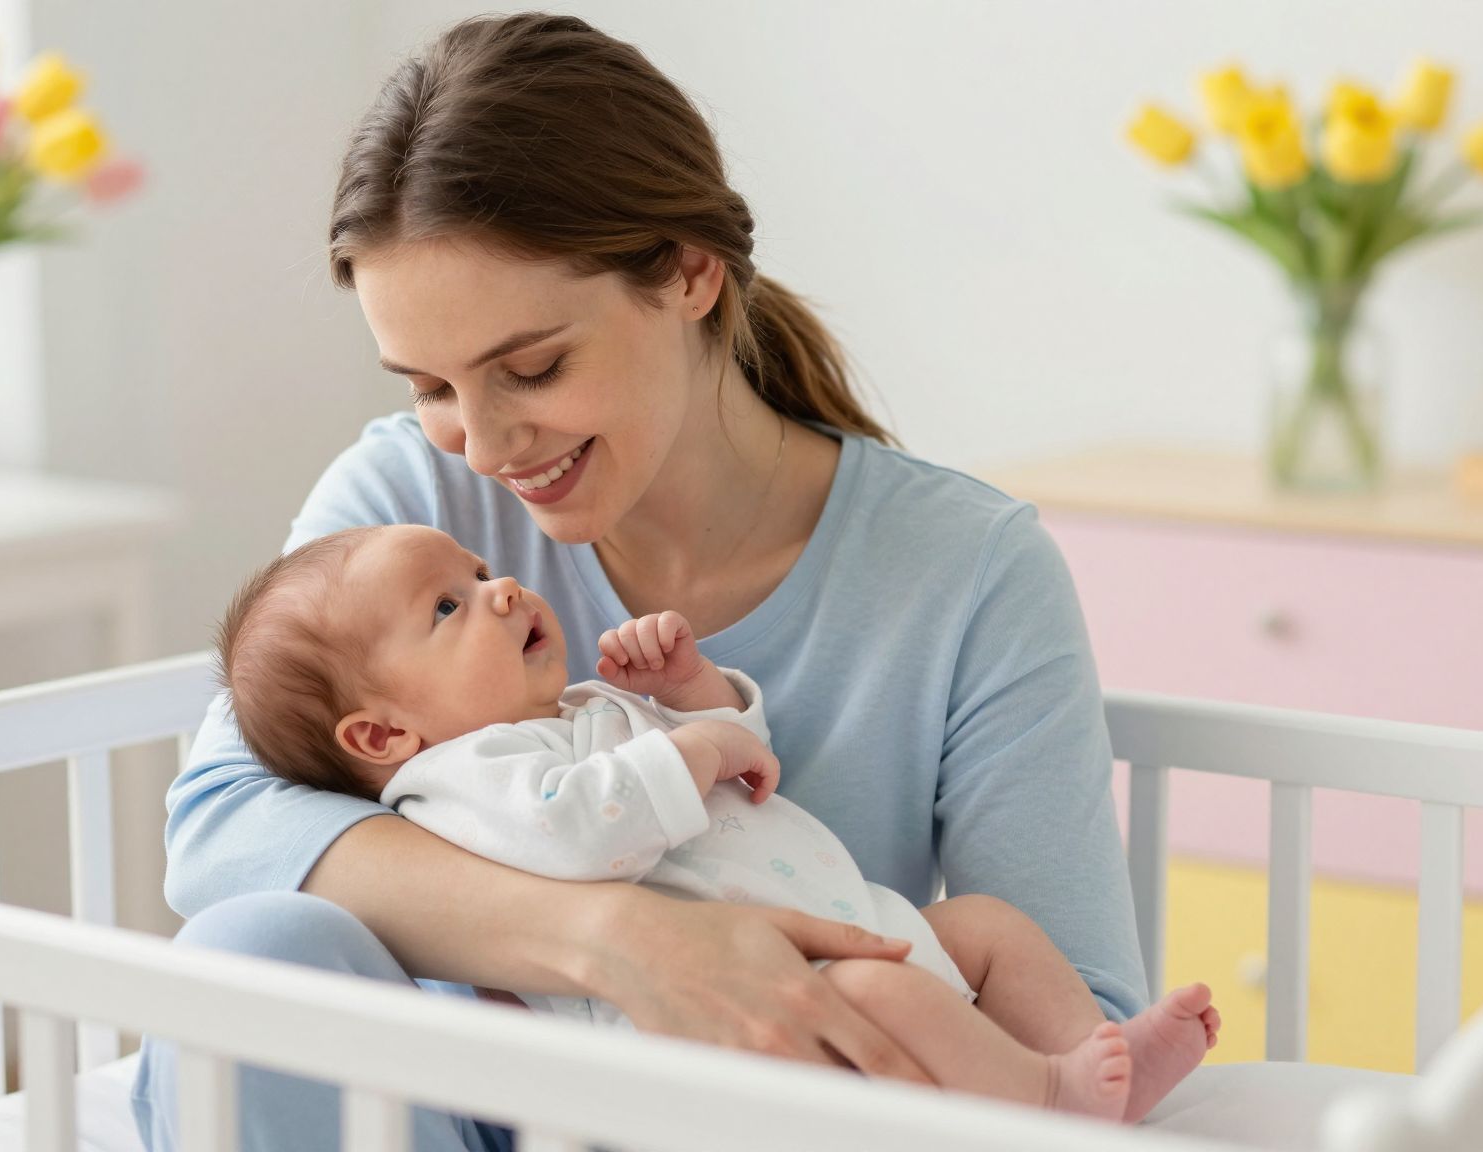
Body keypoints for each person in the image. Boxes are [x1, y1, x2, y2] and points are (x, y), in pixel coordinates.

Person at [131, 12, 1149, 1150]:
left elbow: (1082, 1024)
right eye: (429, 386)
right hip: (474, 1107)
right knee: (251, 958)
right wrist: (626, 941)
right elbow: (223, 829)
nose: (481, 444)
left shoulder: (965, 573)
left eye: (532, 368)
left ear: (688, 275)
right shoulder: (402, 514)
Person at [210, 522, 1222, 1122]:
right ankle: (1050, 1102)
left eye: (478, 573)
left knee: (990, 925)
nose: (500, 587)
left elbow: (741, 770)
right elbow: (580, 830)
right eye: (447, 609)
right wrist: (693, 748)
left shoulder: (570, 713)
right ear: (382, 731)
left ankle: (1095, 1059)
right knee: (887, 991)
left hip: (849, 926)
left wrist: (695, 693)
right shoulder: (460, 784)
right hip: (723, 1027)